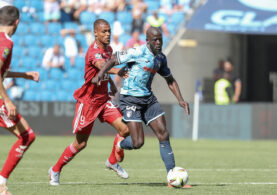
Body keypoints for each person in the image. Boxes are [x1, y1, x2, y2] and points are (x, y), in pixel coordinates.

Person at [92, 27, 191, 188]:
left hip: (148, 99)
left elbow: (170, 80)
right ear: (148, 40)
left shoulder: (160, 58)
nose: (158, 43)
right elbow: (114, 58)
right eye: (155, 40)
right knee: (138, 143)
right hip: (130, 99)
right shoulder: (137, 52)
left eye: (160, 39)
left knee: (163, 134)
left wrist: (180, 99)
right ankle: (120, 144)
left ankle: (172, 178)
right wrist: (100, 74)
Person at [48, 19, 130, 186]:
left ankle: (112, 161)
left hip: (104, 100)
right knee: (81, 144)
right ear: (95, 33)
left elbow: (104, 71)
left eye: (109, 31)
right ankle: (55, 169)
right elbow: (102, 66)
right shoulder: (93, 52)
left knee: (125, 129)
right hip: (89, 102)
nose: (108, 34)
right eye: (104, 32)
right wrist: (117, 71)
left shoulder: (109, 49)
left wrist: (112, 85)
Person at [0, 6, 39, 195]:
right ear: (16, 22)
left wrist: (24, 75)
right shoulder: (6, 43)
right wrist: (7, 100)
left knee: (27, 136)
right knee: (27, 136)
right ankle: (1, 183)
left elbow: (2, 71)